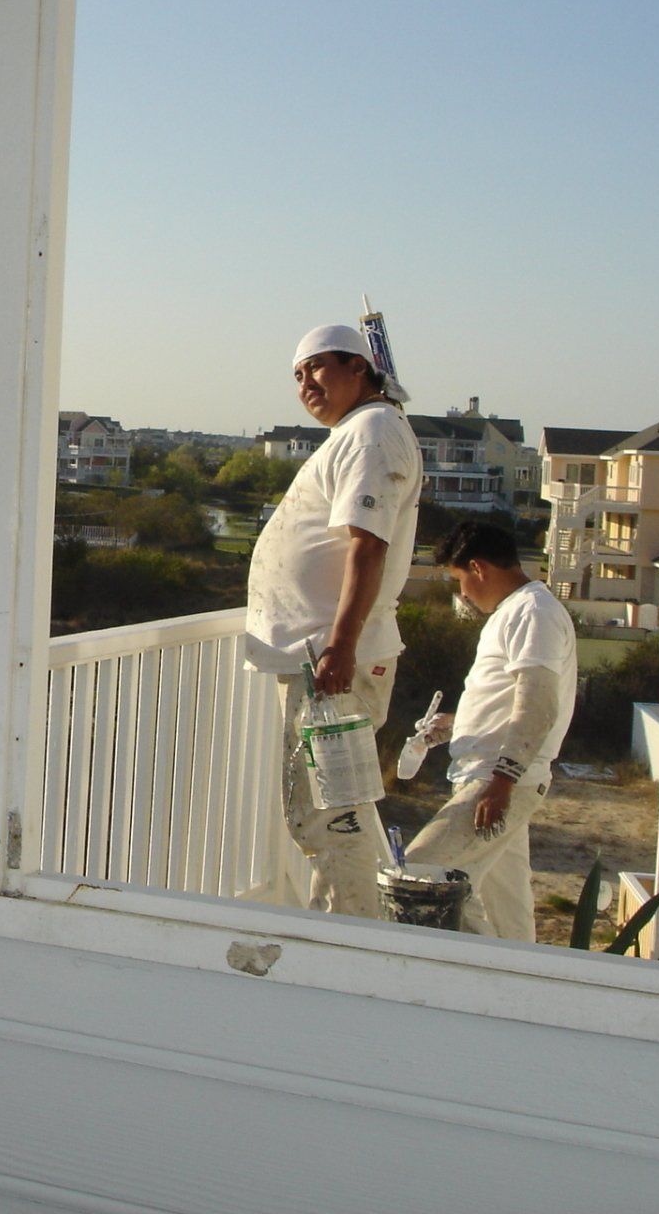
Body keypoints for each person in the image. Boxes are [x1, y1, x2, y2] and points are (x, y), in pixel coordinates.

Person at [245, 323, 420, 917]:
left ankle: (350, 944)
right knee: (336, 807)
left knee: (331, 814)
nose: (305, 384)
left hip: (330, 662)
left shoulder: (372, 431)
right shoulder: (359, 431)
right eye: (297, 375)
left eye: (316, 368)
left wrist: (340, 646)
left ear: (358, 367)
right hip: (322, 657)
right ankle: (348, 930)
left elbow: (368, 544)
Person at [404, 521, 577, 942]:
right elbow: (509, 701)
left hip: (496, 782)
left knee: (421, 875)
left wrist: (501, 782)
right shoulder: (518, 611)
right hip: (494, 777)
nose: (462, 593)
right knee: (506, 913)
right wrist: (453, 727)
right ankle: (518, 985)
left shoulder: (533, 612)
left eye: (460, 579)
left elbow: (538, 703)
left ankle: (471, 975)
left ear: (478, 568)